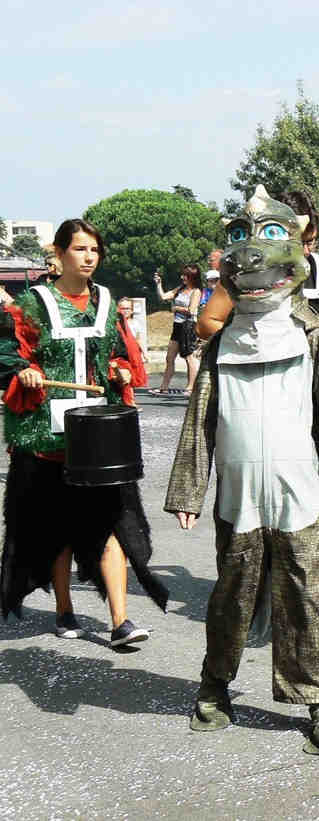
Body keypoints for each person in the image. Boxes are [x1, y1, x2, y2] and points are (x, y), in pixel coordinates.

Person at [166, 186, 319, 754]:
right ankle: (215, 688)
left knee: (308, 594)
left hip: (298, 491)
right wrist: (189, 488)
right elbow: (199, 422)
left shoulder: (311, 338)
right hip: (239, 492)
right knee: (230, 594)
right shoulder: (219, 347)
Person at [196, 194, 319, 612]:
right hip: (266, 392)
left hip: (312, 389)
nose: (304, 242)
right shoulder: (246, 271)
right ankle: (267, 588)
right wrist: (249, 339)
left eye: (306, 235)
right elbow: (207, 321)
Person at [0, 219, 168, 645]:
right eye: (79, 249)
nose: (89, 257)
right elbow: (8, 351)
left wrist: (118, 368)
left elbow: (121, 353)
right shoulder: (33, 303)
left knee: (112, 524)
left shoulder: (108, 302)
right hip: (47, 438)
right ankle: (64, 610)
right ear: (59, 254)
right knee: (59, 532)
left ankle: (120, 622)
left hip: (97, 438)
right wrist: (26, 371)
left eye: (94, 250)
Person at [153, 264, 201, 396]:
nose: (182, 277)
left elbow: (191, 310)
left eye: (186, 275)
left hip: (189, 325)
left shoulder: (196, 291)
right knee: (170, 357)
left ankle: (190, 387)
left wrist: (176, 309)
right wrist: (158, 284)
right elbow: (163, 297)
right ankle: (164, 387)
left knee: (189, 357)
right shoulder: (180, 289)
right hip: (177, 325)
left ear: (192, 277)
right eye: (182, 275)